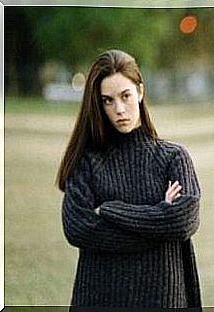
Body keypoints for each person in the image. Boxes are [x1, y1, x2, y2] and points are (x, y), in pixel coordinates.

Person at [56, 49, 202, 308]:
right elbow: (78, 228)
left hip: (163, 299)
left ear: (140, 92)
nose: (119, 109)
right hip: (101, 299)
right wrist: (160, 217)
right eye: (107, 101)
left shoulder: (173, 158)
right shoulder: (87, 162)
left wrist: (113, 211)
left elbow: (182, 221)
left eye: (125, 96)